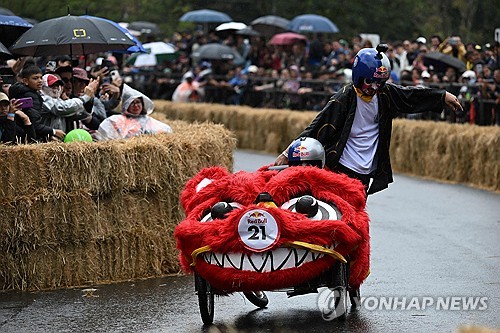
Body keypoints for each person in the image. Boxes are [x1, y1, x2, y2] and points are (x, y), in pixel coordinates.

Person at [274, 44, 463, 197]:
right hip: (341, 166)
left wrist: (443, 96)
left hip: (365, 171)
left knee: (357, 218)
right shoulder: (344, 97)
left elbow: (411, 96)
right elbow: (318, 125)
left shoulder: (385, 94)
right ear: (358, 76)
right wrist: (287, 152)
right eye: (369, 81)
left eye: (379, 82)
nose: (373, 87)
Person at [9, 62, 65, 141]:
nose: (40, 81)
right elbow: (35, 124)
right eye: (35, 78)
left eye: (41, 78)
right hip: (25, 137)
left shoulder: (21, 92)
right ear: (25, 81)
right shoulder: (31, 96)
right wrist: (53, 131)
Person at [96, 87, 172, 140]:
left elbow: (166, 131)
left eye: (138, 102)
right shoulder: (114, 120)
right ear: (126, 106)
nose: (136, 106)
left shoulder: (149, 121)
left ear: (143, 104)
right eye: (132, 103)